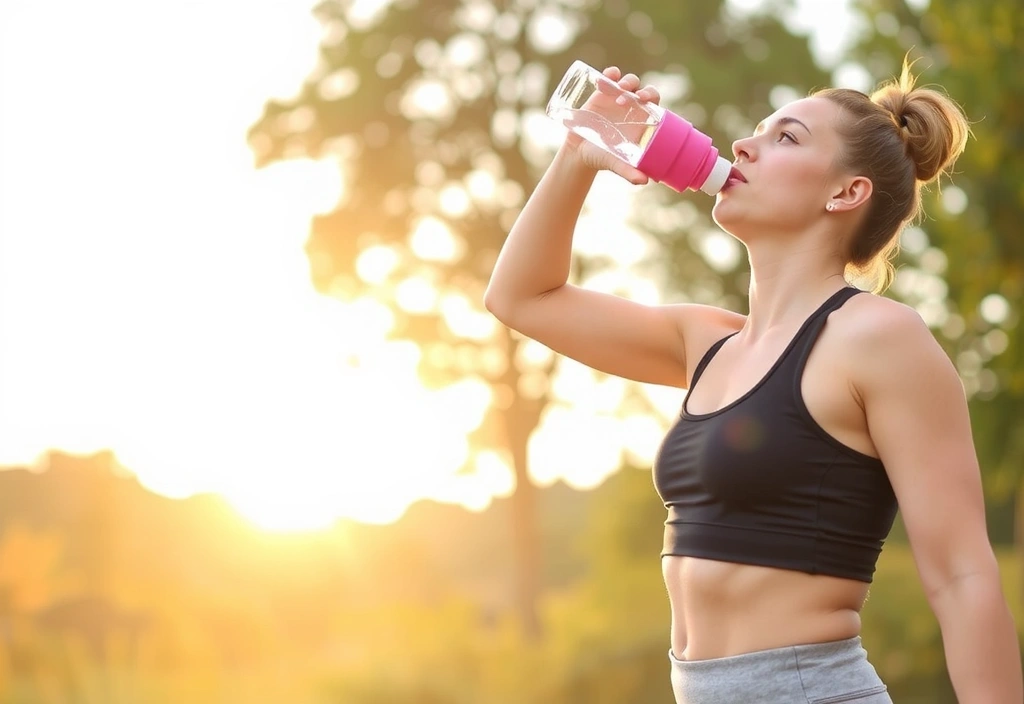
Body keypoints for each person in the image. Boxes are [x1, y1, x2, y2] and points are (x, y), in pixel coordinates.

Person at [484, 63, 1023, 703]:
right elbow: (521, 297)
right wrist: (579, 154)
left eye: (787, 138)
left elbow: (962, 575)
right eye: (758, 131)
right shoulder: (705, 343)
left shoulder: (880, 339)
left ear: (846, 193)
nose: (743, 145)